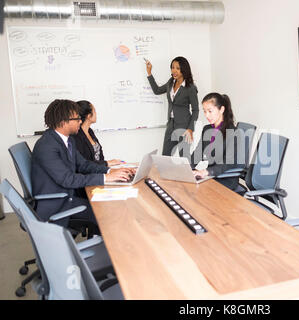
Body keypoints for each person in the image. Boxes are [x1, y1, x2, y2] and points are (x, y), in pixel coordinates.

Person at [31, 99, 134, 230]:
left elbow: (84, 165)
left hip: (68, 197)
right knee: (109, 214)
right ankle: (113, 247)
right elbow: (68, 179)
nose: (80, 121)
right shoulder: (47, 146)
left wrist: (109, 172)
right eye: (77, 118)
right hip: (57, 204)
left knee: (112, 206)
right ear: (64, 121)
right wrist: (105, 178)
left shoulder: (68, 140)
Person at [145, 56, 199, 157]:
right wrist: (149, 73)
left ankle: (188, 173)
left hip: (184, 127)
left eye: (178, 68)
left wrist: (190, 129)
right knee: (165, 156)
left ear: (184, 70)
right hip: (170, 124)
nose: (174, 71)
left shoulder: (190, 87)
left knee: (184, 158)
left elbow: (195, 110)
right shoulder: (171, 82)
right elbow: (157, 90)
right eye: (172, 67)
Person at [191, 93, 244, 190]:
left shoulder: (233, 132)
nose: (207, 115)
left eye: (210, 111)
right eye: (205, 111)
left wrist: (206, 172)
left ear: (222, 110)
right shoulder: (207, 129)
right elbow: (198, 153)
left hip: (225, 178)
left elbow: (228, 163)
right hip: (211, 176)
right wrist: (186, 167)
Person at [72, 100, 122, 167]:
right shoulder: (76, 136)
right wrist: (106, 163)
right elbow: (83, 164)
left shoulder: (90, 131)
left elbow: (100, 156)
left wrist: (108, 167)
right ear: (89, 116)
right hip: (89, 175)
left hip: (99, 170)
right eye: (94, 111)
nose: (96, 114)